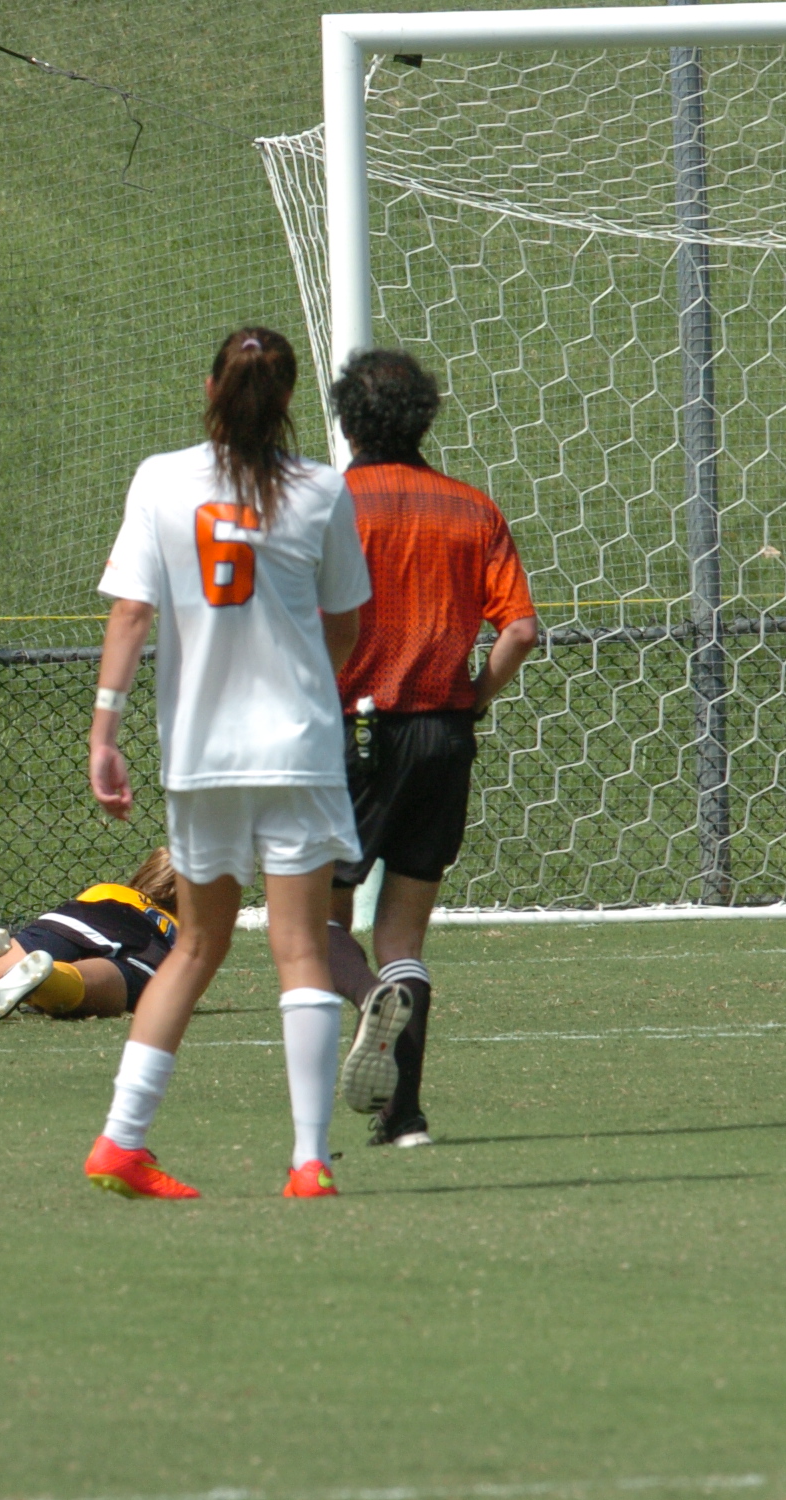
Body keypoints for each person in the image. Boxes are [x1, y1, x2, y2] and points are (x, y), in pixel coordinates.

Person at [82, 326, 373, 1202]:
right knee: (301, 948)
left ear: (210, 388)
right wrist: (305, 675)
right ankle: (309, 1160)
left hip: (200, 754)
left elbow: (131, 613)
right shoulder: (322, 490)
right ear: (288, 400)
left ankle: (121, 1142)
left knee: (196, 946)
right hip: (296, 751)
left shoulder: (159, 479)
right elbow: (346, 624)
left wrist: (104, 732)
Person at [323, 349, 541, 1148]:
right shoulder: (472, 509)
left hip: (351, 732)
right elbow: (520, 631)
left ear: (346, 421)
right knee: (403, 939)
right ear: (424, 418)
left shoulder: (330, 505)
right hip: (443, 737)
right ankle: (403, 1116)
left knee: (313, 924)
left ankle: (363, 1009)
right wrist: (473, 698)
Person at [0, 848, 179, 1023]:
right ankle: (50, 977)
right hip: (147, 942)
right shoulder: (183, 928)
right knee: (124, 980)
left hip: (77, 917)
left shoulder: (108, 889)